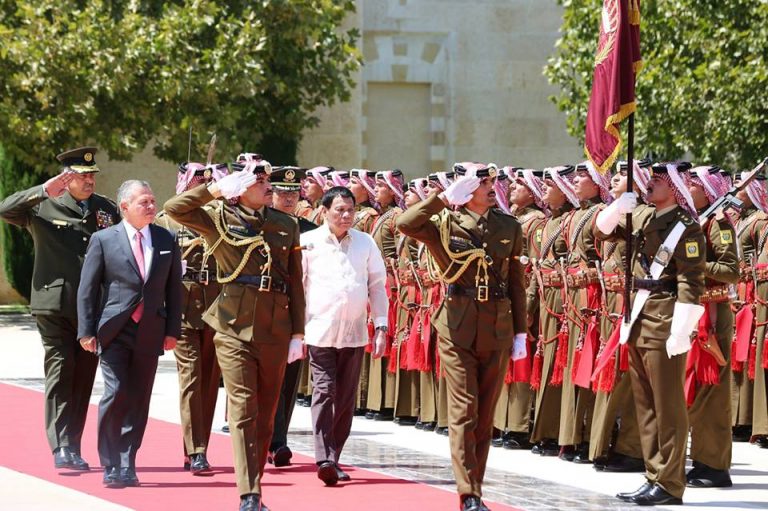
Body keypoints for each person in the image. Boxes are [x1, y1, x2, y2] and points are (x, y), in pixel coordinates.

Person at [164, 158, 305, 511]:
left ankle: (253, 484)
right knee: (243, 407)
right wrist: (213, 189)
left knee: (266, 414)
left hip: (275, 326)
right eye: (259, 182)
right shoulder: (217, 219)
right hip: (231, 325)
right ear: (240, 189)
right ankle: (250, 494)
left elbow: (296, 283)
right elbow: (174, 208)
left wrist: (298, 333)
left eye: (267, 180)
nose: (268, 186)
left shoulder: (285, 224)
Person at [397, 162, 527, 511]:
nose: (490, 187)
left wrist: (520, 333)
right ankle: (468, 492)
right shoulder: (443, 222)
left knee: (485, 416)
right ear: (466, 189)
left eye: (492, 181)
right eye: (481, 182)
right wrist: (441, 199)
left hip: (497, 325)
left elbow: (516, 280)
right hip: (456, 325)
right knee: (464, 410)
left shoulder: (508, 225)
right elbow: (404, 223)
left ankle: (476, 488)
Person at [0, 147, 120, 471]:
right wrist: (42, 190)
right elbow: (4, 209)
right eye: (82, 176)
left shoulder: (105, 209)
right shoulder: (41, 206)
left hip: (92, 310)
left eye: (92, 175)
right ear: (66, 178)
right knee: (61, 368)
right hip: (53, 304)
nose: (89, 180)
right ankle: (61, 446)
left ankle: (73, 445)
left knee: (83, 377)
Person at [597, 161, 705, 505]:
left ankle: (670, 484)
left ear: (673, 188)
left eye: (657, 181)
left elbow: (691, 280)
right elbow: (601, 232)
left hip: (664, 318)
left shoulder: (686, 228)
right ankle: (653, 474)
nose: (649, 185)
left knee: (668, 407)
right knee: (645, 406)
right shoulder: (642, 216)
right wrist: (617, 207)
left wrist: (682, 328)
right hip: (638, 315)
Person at [77, 180, 182, 487]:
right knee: (116, 391)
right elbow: (87, 289)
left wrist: (173, 329)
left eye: (152, 201)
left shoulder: (166, 238)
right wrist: (86, 331)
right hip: (114, 330)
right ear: (124, 207)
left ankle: (127, 461)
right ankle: (110, 463)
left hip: (151, 330)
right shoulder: (103, 239)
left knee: (138, 398)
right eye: (144, 202)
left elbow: (174, 289)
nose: (151, 207)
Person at [301, 186, 388, 485]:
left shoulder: (365, 243)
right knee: (324, 392)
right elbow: (299, 288)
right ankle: (323, 457)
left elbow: (377, 286)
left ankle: (334, 456)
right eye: (339, 209)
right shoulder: (308, 242)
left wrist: (381, 326)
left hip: (354, 333)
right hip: (319, 331)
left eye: (350, 209)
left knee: (347, 398)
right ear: (324, 211)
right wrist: (296, 332)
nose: (346, 215)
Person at [155, 162, 228, 474]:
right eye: (197, 181)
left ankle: (200, 447)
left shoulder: (217, 216)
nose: (202, 188)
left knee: (211, 381)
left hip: (215, 305)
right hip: (182, 307)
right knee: (192, 378)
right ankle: (195, 450)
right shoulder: (165, 220)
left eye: (206, 183)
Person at [589, 160, 650, 473]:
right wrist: (618, 207)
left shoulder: (646, 215)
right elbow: (601, 231)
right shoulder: (626, 212)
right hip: (614, 305)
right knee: (613, 375)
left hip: (637, 304)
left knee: (629, 377)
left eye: (624, 174)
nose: (614, 178)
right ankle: (608, 445)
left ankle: (631, 448)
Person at [685, 165, 739, 488]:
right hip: (700, 313)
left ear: (707, 189)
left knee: (713, 395)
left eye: (693, 184)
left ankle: (715, 465)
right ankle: (703, 460)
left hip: (715, 316)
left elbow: (731, 270)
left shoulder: (719, 224)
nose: (688, 187)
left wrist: (695, 263)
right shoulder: (699, 220)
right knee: (699, 392)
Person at [493, 167, 547, 450]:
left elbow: (533, 269)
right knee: (507, 363)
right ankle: (503, 421)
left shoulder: (536, 223)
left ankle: (518, 426)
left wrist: (527, 305)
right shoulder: (514, 219)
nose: (512, 187)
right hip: (507, 296)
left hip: (522, 297)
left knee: (522, 363)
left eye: (520, 184)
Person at [267, 166, 318, 467]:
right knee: (269, 377)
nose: (288, 198)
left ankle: (279, 439)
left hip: (298, 311)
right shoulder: (262, 226)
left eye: (293, 193)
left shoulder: (310, 229)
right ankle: (272, 439)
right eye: (282, 192)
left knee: (289, 380)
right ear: (271, 193)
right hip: (267, 309)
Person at [529, 165, 579, 457]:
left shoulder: (576, 220)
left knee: (563, 364)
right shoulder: (548, 223)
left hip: (568, 300)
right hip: (548, 297)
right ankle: (546, 431)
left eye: (551, 185)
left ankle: (565, 434)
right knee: (547, 363)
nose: (544, 189)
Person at [366, 170, 406, 421]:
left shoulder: (396, 217)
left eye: (380, 186)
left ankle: (387, 401)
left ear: (392, 191)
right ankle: (374, 400)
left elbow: (403, 253)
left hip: (390, 284)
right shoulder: (380, 216)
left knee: (387, 339)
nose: (375, 190)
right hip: (377, 282)